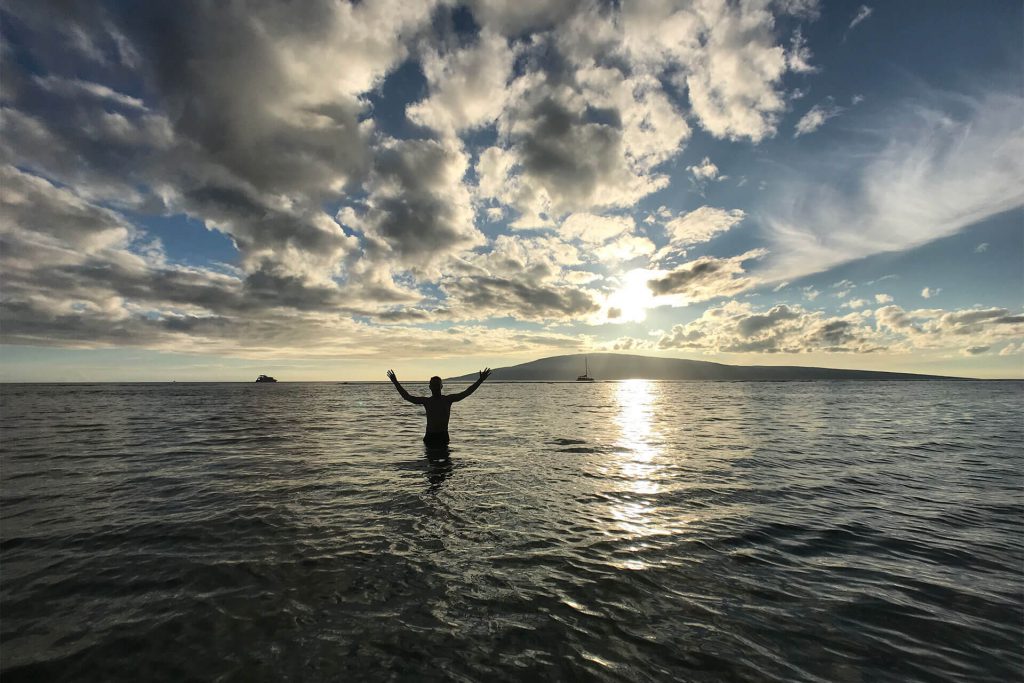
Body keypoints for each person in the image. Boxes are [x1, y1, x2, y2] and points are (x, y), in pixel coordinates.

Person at [386, 368, 491, 446]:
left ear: (441, 386)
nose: (435, 387)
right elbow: (407, 397)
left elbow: (467, 392)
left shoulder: (447, 400)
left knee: (444, 469)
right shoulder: (427, 401)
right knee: (431, 470)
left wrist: (480, 380)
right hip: (430, 436)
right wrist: (395, 381)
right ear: (430, 387)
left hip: (443, 436)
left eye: (437, 385)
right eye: (433, 385)